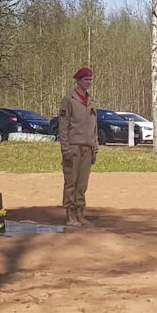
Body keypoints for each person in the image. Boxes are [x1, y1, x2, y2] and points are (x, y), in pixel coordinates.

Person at [58, 66, 99, 227]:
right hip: (73, 147)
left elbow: (94, 127)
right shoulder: (69, 100)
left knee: (82, 183)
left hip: (87, 147)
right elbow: (63, 127)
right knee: (71, 182)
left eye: (90, 79)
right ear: (78, 80)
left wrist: (95, 147)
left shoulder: (91, 101)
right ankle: (70, 215)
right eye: (86, 79)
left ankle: (80, 213)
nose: (89, 82)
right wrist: (65, 149)